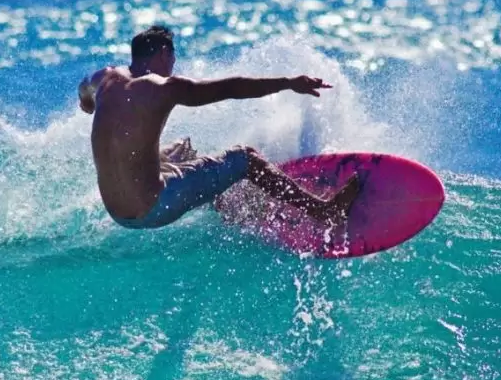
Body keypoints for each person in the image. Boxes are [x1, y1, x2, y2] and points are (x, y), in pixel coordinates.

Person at [78, 25, 359, 230]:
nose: (173, 67)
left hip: (115, 210)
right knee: (245, 158)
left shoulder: (104, 78)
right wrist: (288, 83)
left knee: (180, 149)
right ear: (164, 53)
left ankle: (223, 202)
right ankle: (324, 211)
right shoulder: (161, 88)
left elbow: (84, 93)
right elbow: (230, 88)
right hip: (151, 208)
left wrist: (90, 107)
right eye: (172, 60)